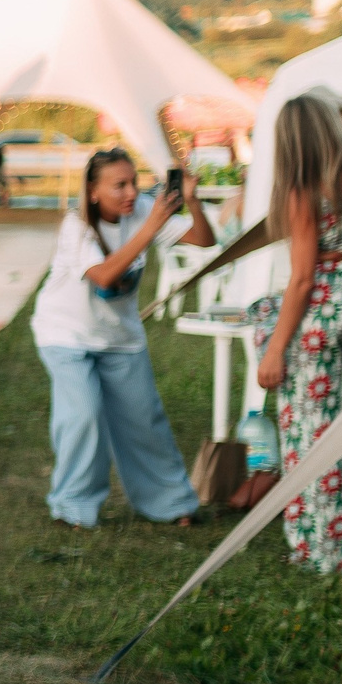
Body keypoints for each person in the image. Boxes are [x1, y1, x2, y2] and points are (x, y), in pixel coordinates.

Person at [31, 148, 212, 530]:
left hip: (120, 337)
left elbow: (203, 238)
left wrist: (192, 201)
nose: (132, 192)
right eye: (120, 185)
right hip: (65, 333)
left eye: (134, 182)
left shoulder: (143, 209)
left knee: (144, 420)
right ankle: (72, 506)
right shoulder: (77, 225)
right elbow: (103, 275)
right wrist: (152, 226)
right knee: (83, 415)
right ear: (93, 191)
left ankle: (170, 503)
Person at [255, 90, 342, 571]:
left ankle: (325, 546)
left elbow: (301, 279)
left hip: (322, 309)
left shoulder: (303, 188)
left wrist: (275, 349)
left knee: (312, 427)